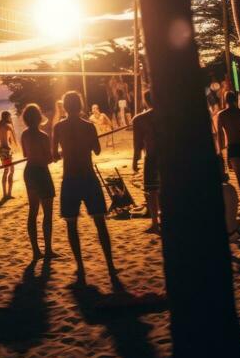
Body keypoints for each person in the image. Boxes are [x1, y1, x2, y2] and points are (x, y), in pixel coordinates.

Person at [53, 90, 118, 285]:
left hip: (70, 179)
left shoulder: (58, 127)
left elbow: (54, 155)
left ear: (65, 106)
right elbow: (97, 150)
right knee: (100, 222)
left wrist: (66, 151)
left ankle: (80, 266)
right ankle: (110, 264)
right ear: (80, 106)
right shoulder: (89, 126)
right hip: (88, 178)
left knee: (72, 225)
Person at [21, 103, 56, 261]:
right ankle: (47, 249)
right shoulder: (43, 136)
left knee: (33, 212)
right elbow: (48, 159)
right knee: (47, 213)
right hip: (41, 172)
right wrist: (56, 156)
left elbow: (25, 154)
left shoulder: (24, 135)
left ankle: (36, 250)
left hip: (29, 172)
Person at [132, 90, 160, 233]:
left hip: (152, 157)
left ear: (145, 101)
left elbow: (137, 144)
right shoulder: (168, 116)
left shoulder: (140, 119)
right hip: (168, 156)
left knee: (152, 191)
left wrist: (135, 161)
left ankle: (155, 222)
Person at [0, 110, 18, 200]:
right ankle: (8, 194)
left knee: (6, 171)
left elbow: (5, 136)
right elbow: (14, 139)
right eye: (10, 117)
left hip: (1, 149)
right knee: (11, 171)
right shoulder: (8, 126)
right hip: (7, 150)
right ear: (8, 117)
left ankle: (5, 194)